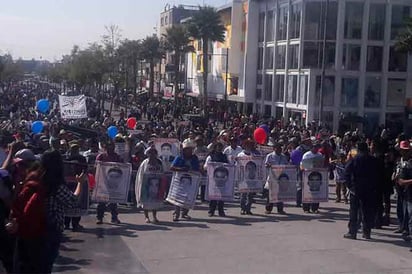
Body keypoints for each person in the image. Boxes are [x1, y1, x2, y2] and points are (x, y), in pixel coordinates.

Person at [344, 142, 381, 240]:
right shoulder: (373, 160)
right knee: (367, 211)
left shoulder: (355, 159)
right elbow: (378, 174)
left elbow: (347, 172)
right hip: (369, 189)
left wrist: (349, 186)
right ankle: (366, 232)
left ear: (358, 149)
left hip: (356, 189)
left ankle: (352, 232)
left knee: (354, 211)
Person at [170, 139, 200, 222]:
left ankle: (185, 213)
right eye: (188, 149)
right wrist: (182, 169)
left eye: (191, 149)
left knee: (188, 197)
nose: (190, 151)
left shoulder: (194, 158)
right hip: (180, 181)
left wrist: (195, 170)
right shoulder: (179, 157)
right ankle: (176, 214)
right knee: (178, 198)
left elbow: (197, 168)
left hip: (191, 181)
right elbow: (172, 167)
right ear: (184, 150)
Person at [135, 146, 165, 224]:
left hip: (157, 184)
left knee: (155, 202)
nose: (152, 155)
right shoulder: (145, 162)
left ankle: (154, 217)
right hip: (146, 185)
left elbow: (162, 172)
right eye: (150, 153)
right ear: (148, 154)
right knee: (146, 202)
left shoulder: (159, 162)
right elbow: (140, 174)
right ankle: (146, 217)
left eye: (154, 153)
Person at [96, 142, 123, 224]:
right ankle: (100, 217)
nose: (111, 148)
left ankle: (114, 217)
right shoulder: (101, 156)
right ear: (105, 147)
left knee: (113, 200)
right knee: (101, 201)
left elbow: (121, 165)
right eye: (109, 146)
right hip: (103, 181)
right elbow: (96, 165)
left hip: (113, 181)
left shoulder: (116, 156)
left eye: (112, 147)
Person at [64, 141, 87, 232]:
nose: (75, 150)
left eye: (76, 149)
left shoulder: (81, 158)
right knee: (69, 203)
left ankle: (75, 224)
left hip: (78, 182)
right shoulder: (67, 158)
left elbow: (85, 169)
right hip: (70, 183)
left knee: (77, 204)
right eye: (74, 149)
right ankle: (68, 223)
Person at [204, 142, 229, 217]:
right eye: (218, 147)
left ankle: (221, 211)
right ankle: (211, 210)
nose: (219, 149)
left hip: (222, 179)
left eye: (220, 147)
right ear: (215, 148)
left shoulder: (224, 157)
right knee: (213, 195)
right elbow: (205, 166)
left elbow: (229, 166)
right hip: (213, 179)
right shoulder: (210, 157)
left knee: (222, 196)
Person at [237, 138, 260, 215]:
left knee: (250, 195)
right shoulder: (240, 155)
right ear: (244, 145)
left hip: (252, 178)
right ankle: (242, 208)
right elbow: (237, 166)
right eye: (247, 144)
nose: (249, 146)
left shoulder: (255, 155)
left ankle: (248, 208)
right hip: (243, 177)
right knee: (243, 194)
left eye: (250, 144)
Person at [264, 143, 288, 214]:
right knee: (271, 194)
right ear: (274, 149)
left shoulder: (283, 156)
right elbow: (266, 165)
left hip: (281, 177)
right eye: (278, 148)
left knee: (280, 194)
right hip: (272, 176)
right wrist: (269, 165)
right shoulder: (270, 156)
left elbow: (286, 164)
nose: (279, 150)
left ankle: (280, 209)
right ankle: (268, 209)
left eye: (280, 149)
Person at [301, 142, 324, 213]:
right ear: (311, 148)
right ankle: (306, 208)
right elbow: (302, 164)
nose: (316, 149)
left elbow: (322, 164)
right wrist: (303, 169)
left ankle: (315, 208)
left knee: (316, 192)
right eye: (314, 147)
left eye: (317, 148)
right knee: (307, 192)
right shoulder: (307, 155)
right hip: (308, 174)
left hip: (317, 174)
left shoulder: (319, 155)